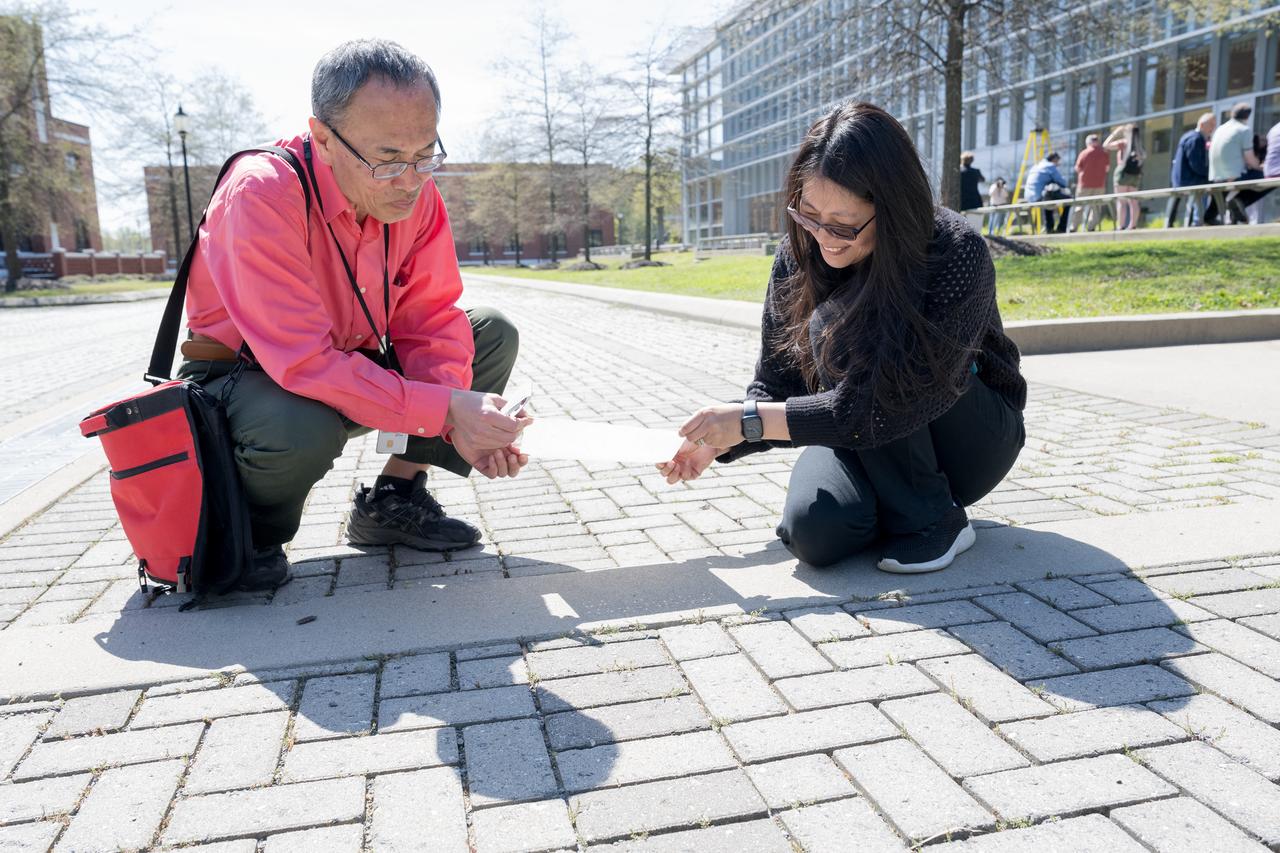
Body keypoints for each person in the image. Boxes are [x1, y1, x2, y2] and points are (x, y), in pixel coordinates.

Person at [178, 40, 531, 590]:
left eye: (425, 153)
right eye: (388, 159)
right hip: (249, 378)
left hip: (344, 360)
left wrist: (456, 420)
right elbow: (302, 363)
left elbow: (432, 317)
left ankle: (393, 500)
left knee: (487, 331)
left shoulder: (417, 197)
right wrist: (444, 410)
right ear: (322, 137)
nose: (412, 180)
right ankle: (247, 532)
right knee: (301, 426)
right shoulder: (261, 193)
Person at [658, 101, 1026, 574]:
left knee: (839, 329)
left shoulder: (954, 251)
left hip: (970, 436)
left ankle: (934, 520)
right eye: (809, 215)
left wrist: (750, 421)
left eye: (844, 225)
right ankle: (897, 505)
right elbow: (776, 383)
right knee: (815, 530)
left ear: (892, 209)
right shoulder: (799, 251)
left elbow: (892, 398)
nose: (823, 237)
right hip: (861, 425)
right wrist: (721, 441)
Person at [1208, 103, 1266, 224]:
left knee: (1223, 193)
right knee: (1268, 177)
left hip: (1216, 176)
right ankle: (1241, 200)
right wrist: (1262, 167)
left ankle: (1210, 217)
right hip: (1233, 176)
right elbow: (1250, 159)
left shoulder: (1220, 128)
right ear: (1248, 116)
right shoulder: (1244, 130)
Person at [1167, 113, 1214, 228]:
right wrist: (1210, 174)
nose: (1213, 129)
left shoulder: (1189, 136)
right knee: (1211, 186)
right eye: (1211, 125)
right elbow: (1196, 164)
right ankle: (1199, 220)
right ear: (1202, 125)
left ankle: (1201, 219)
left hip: (1182, 179)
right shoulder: (1195, 139)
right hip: (1189, 180)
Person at [1104, 123, 1144, 229]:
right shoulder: (1140, 146)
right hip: (1135, 175)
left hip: (1122, 173)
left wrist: (1115, 133)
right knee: (1133, 201)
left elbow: (1106, 145)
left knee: (1121, 201)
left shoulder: (1124, 143)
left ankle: (1120, 226)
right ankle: (1133, 225)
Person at [1071, 134, 1110, 231]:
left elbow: (1078, 168)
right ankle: (1091, 227)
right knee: (1096, 207)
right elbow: (1107, 168)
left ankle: (1074, 227)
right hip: (1100, 185)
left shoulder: (1084, 153)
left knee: (1079, 206)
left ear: (1088, 142)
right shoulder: (1104, 153)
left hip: (1084, 185)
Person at [1025, 152, 1071, 234]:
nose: (1058, 165)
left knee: (1049, 196)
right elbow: (1063, 183)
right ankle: (1061, 228)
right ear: (1054, 159)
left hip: (1029, 197)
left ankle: (1049, 227)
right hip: (1039, 196)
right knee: (1068, 200)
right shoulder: (1050, 166)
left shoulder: (1036, 166)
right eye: (1057, 162)